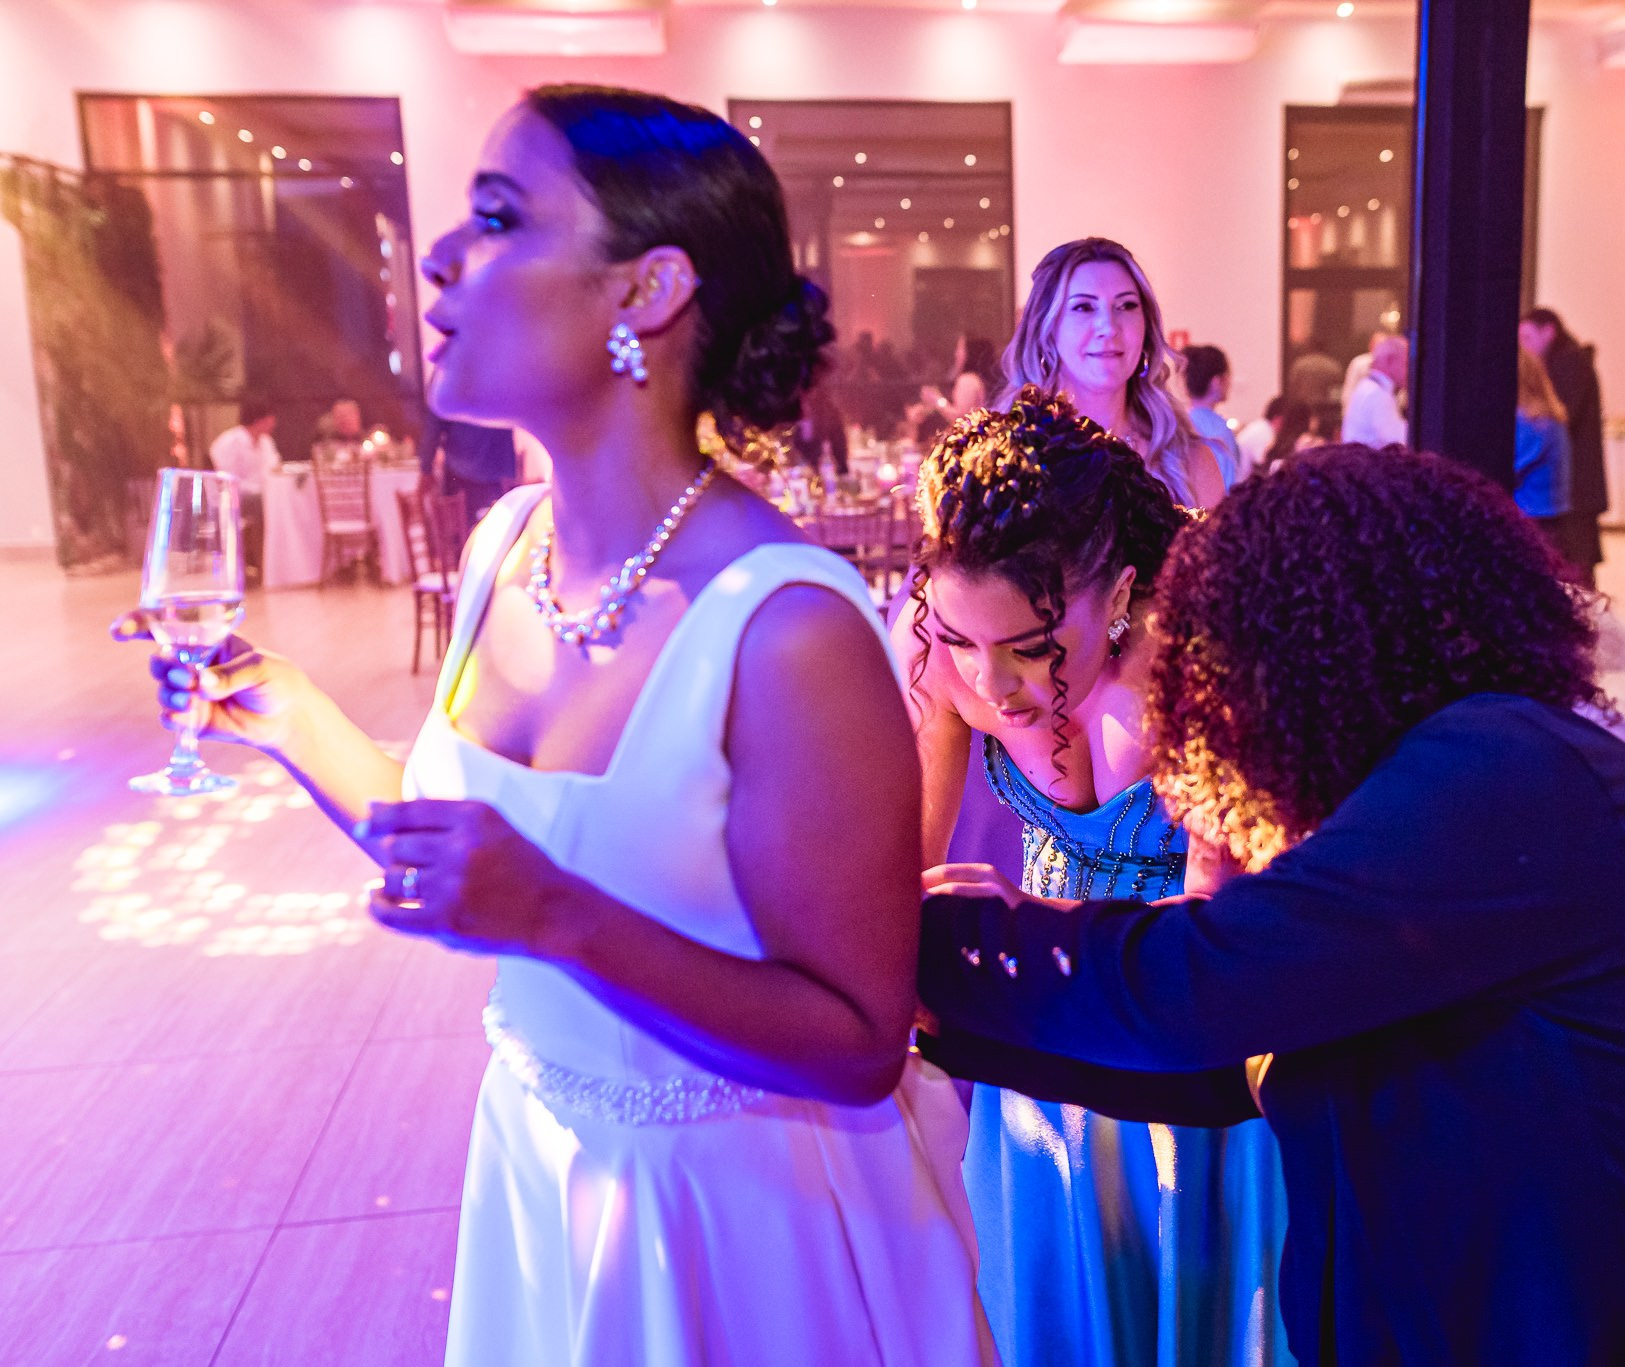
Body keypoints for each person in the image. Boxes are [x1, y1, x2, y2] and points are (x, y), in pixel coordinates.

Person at [121, 85, 990, 1367]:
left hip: (733, 1223)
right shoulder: (503, 548)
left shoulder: (785, 626)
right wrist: (287, 708)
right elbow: (482, 861)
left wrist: (556, 915)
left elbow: (861, 1042)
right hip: (538, 1162)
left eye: (498, 214)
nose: (437, 254)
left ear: (645, 292)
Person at [917, 445, 1625, 1367]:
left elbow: (1203, 985)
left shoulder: (1511, 771)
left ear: (1312, 649)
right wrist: (931, 1017)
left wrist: (921, 942)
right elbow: (1231, 1064)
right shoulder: (1418, 794)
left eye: (1217, 667)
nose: (1204, 710)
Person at [895, 388, 1293, 1367]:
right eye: (958, 640)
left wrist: (1024, 943)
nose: (990, 684)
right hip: (1036, 1026)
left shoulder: (1197, 659)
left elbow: (1218, 928)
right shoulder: (946, 665)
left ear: (1116, 595)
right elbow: (895, 861)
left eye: (1031, 648)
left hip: (1181, 1019)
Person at [1000, 238, 1228, 510]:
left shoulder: (1191, 464)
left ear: (1146, 328)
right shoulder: (1009, 462)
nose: (1108, 327)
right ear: (1047, 329)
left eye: (1126, 306)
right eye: (1083, 307)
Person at [1520, 306, 1610, 581]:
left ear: (1549, 331)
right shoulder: (1570, 360)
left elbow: (1563, 412)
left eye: (1526, 336)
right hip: (1569, 485)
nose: (1523, 345)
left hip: (1575, 485)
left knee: (1577, 567)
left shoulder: (1571, 363)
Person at [207, 397, 281, 582]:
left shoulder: (266, 442)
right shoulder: (230, 442)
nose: (274, 422)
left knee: (276, 502)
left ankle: (276, 565)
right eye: (271, 417)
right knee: (262, 504)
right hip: (230, 499)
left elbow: (273, 469)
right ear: (260, 419)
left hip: (260, 496)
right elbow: (226, 480)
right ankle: (263, 565)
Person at [1513, 346, 1573, 557]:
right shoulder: (1550, 418)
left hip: (1533, 516)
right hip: (1552, 514)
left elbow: (1509, 468)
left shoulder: (1531, 421)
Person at [418, 411, 518, 526]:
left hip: (463, 473)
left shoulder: (452, 393)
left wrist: (426, 469)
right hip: (499, 472)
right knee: (501, 529)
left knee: (462, 532)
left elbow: (433, 429)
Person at [1182, 343, 1244, 487]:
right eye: (1228, 377)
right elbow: (1227, 484)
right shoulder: (1219, 431)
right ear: (1217, 381)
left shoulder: (1178, 423)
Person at [1338, 333, 1407, 449]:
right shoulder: (1377, 395)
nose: (1408, 370)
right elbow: (1399, 438)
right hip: (1367, 464)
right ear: (1389, 361)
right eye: (1405, 363)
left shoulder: (1368, 387)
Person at [950, 335, 1000, 414]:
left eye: (960, 349)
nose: (956, 354)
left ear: (970, 352)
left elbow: (962, 416)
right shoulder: (981, 379)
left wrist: (937, 401)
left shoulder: (968, 380)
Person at [1236, 394, 1287, 472]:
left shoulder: (1260, 426)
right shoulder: (1264, 433)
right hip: (1242, 480)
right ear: (1279, 419)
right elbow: (1263, 466)